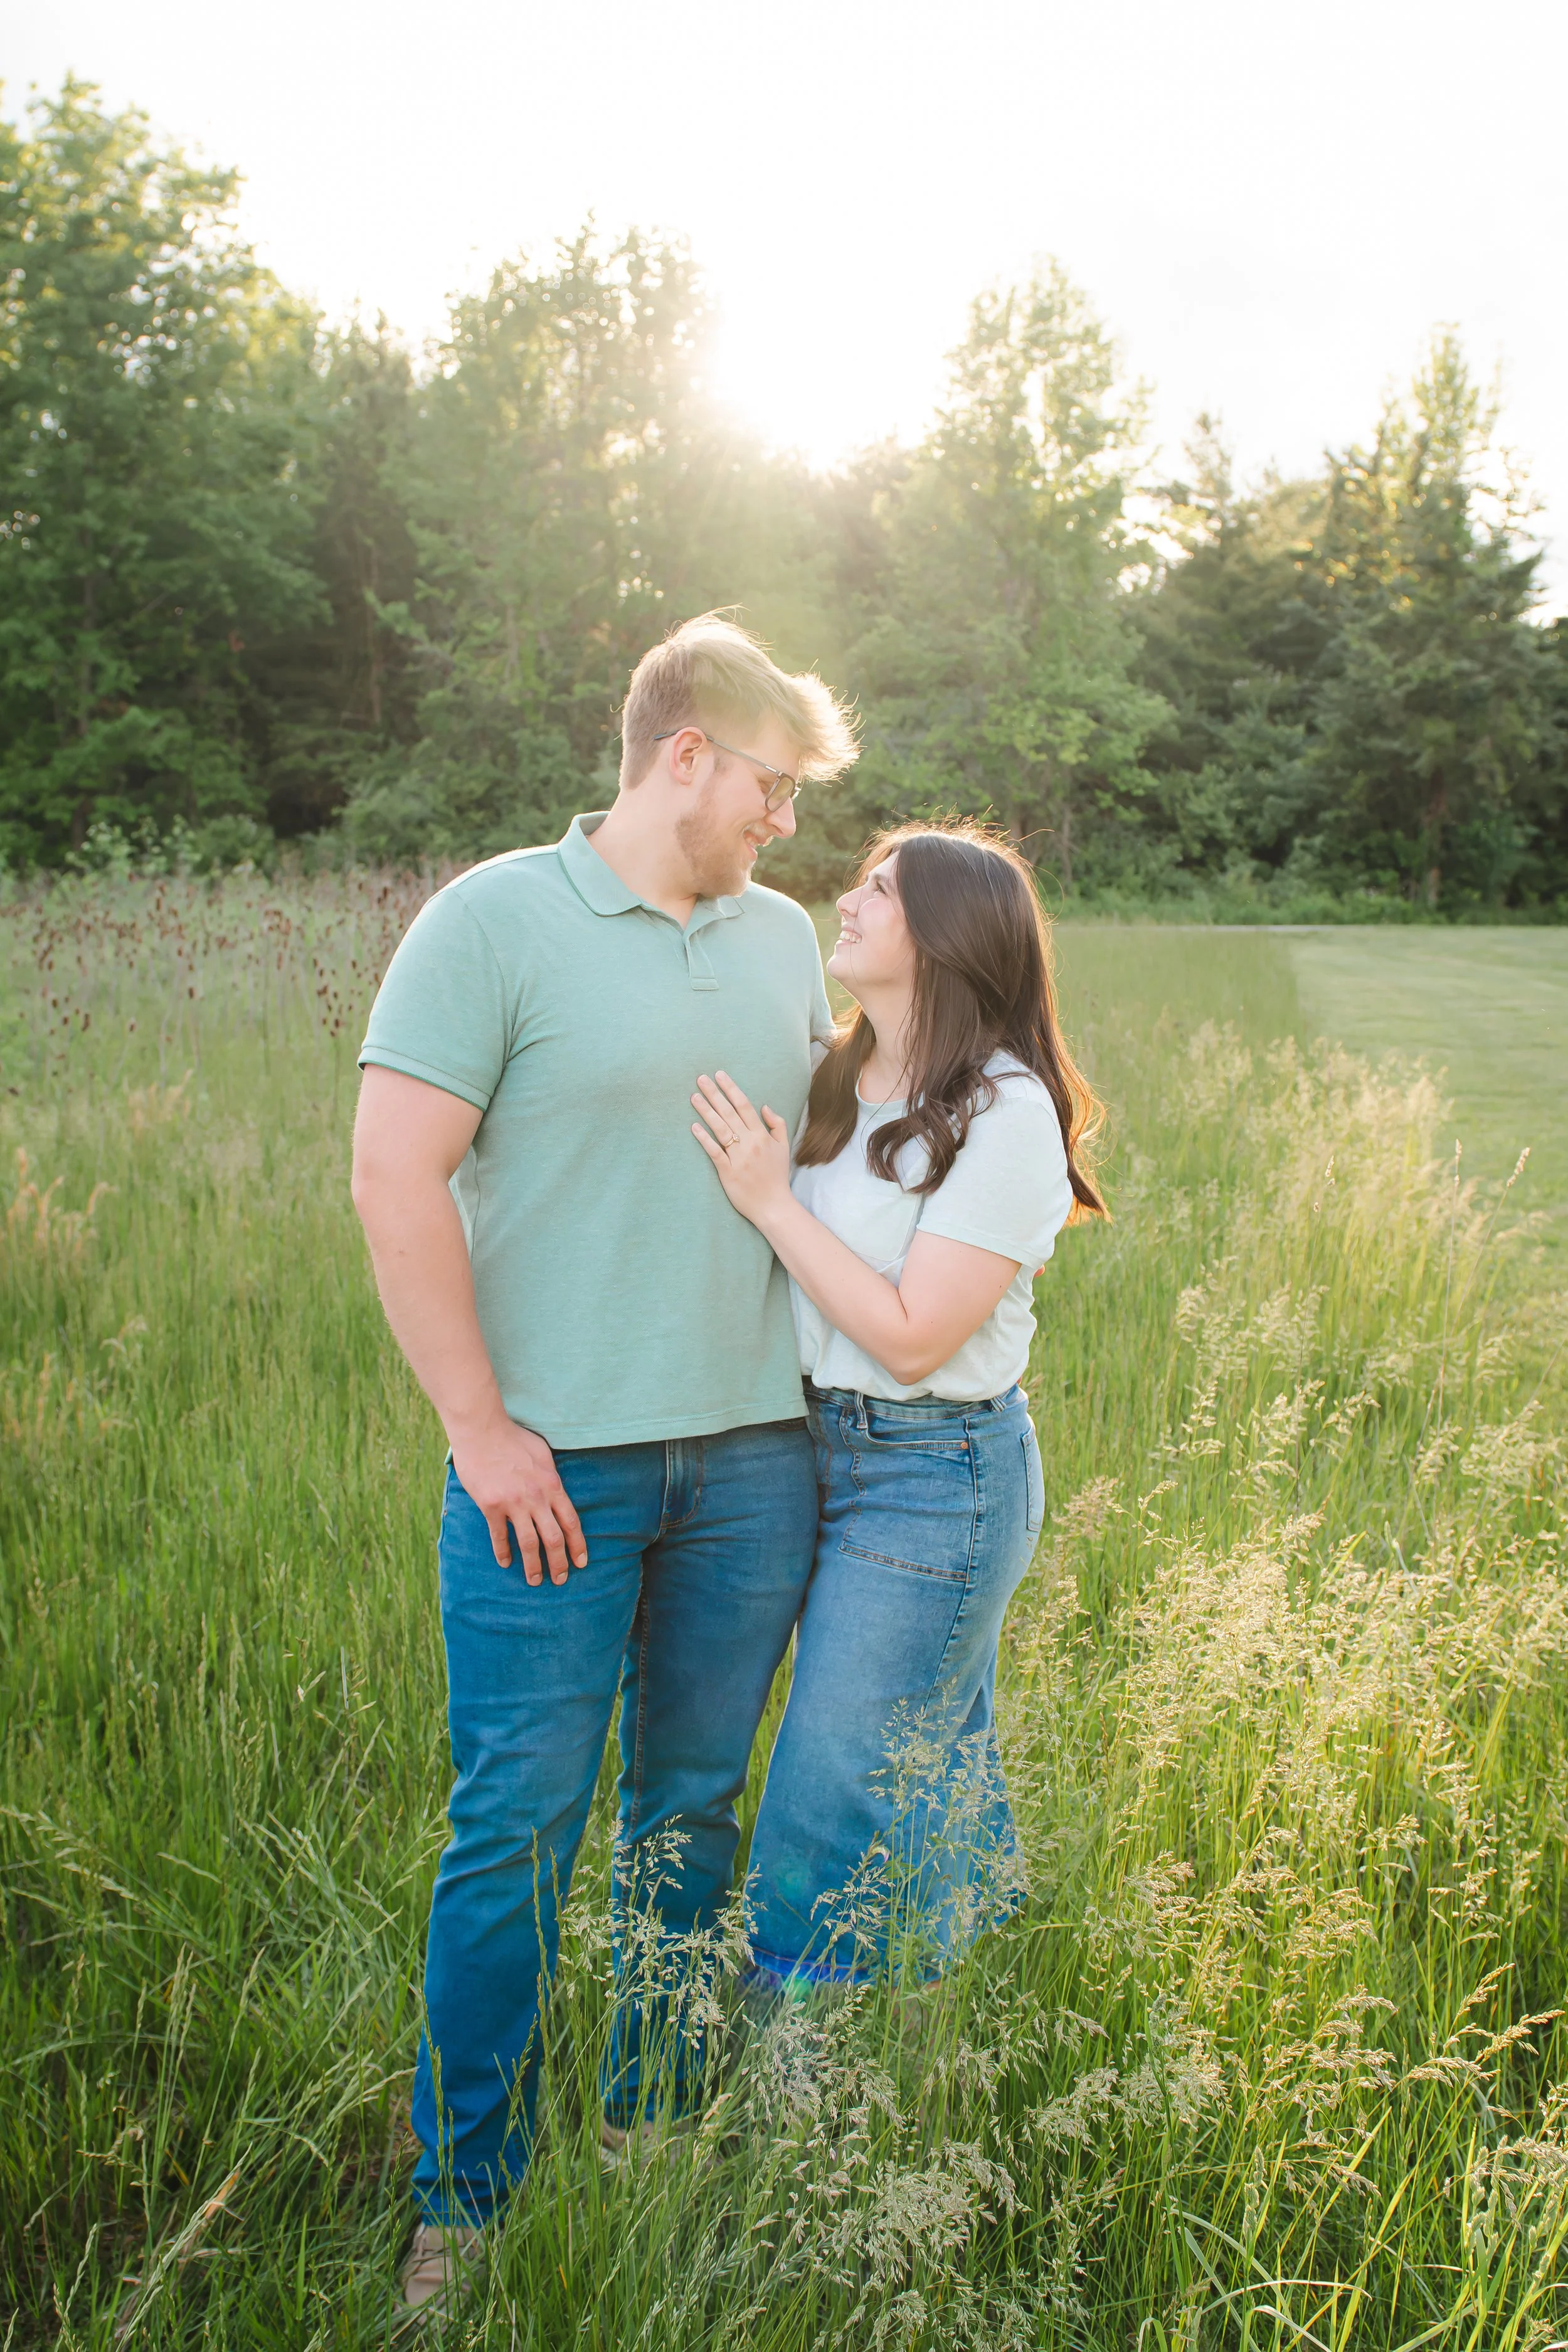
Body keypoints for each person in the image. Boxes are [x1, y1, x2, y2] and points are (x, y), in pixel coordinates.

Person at [351, 614, 857, 2315]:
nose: (784, 820)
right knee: (513, 1830)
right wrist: (480, 1430)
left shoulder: (780, 938)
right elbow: (392, 1176)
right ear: (684, 754)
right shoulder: (491, 920)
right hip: (547, 1477)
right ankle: (463, 2202)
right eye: (771, 785)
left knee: (692, 1814)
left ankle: (651, 2134)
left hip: (756, 1464)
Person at [687, 824, 1104, 1990]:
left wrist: (772, 1203)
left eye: (882, 891)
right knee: (928, 1746)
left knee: (827, 1781)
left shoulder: (1005, 1110)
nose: (850, 900)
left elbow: (917, 1336)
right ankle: (954, 2005)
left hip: (937, 1476)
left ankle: (786, 2066)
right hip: (805, 1447)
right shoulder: (836, 1069)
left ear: (947, 938)